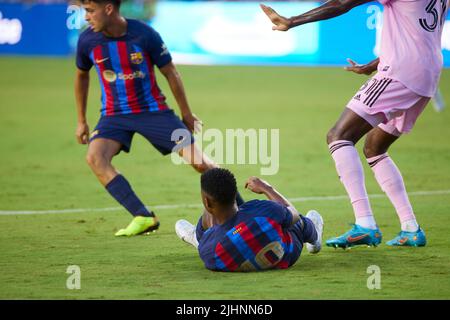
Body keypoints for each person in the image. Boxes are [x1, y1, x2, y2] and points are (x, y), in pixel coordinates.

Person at [261, 0, 448, 248]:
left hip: (400, 73)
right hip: (428, 75)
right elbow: (417, 33)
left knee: (339, 136)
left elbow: (343, 3)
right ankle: (411, 228)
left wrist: (293, 21)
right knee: (375, 147)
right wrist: (372, 65)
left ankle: (366, 223)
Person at [74, 0, 244, 236]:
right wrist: (81, 119)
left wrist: (186, 113)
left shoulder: (144, 35)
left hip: (154, 112)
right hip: (114, 115)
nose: (86, 17)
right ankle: (143, 216)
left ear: (109, 9)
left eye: (91, 11)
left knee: (201, 164)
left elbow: (170, 72)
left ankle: (243, 213)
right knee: (95, 158)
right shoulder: (88, 41)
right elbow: (82, 76)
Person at [175, 168, 324, 272]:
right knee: (295, 221)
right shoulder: (260, 210)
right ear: (235, 194)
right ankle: (314, 236)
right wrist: (267, 188)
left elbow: (217, 260)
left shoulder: (207, 251)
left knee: (209, 223)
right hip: (287, 256)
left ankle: (198, 236)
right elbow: (294, 213)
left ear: (206, 201)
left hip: (228, 249)